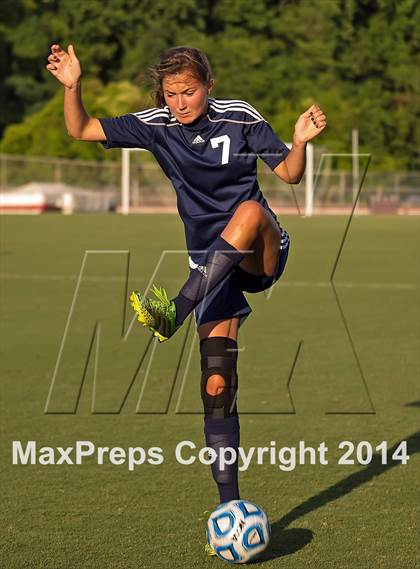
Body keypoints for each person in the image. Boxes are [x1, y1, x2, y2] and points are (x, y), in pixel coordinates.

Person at [47, 43, 326, 555]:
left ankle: (175, 309)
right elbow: (81, 129)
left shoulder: (239, 118)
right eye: (172, 93)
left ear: (209, 85)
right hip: (209, 268)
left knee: (245, 211)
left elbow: (288, 174)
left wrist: (302, 141)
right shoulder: (156, 123)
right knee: (217, 383)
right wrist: (73, 87)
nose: (180, 102)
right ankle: (230, 504)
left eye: (189, 91)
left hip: (260, 250)